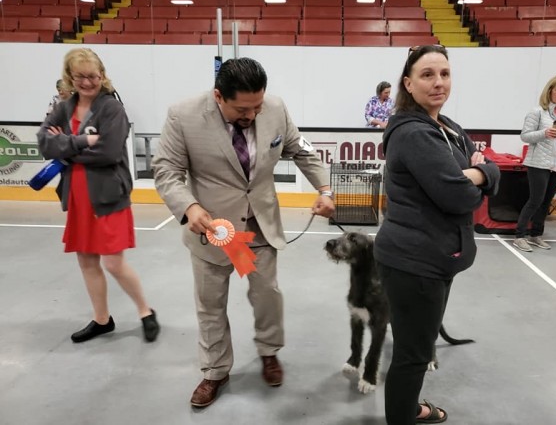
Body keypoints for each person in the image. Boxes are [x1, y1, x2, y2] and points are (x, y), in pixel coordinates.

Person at [152, 57, 335, 408]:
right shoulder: (183, 115)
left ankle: (269, 352)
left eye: (258, 105)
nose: (252, 115)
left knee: (267, 294)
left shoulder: (276, 108)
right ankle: (216, 371)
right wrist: (189, 207)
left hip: (260, 224)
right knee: (211, 304)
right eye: (242, 108)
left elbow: (301, 150)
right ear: (219, 96)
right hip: (213, 230)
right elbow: (167, 171)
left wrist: (325, 190)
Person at [373, 45, 500, 424]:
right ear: (408, 84)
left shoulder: (449, 128)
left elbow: (486, 167)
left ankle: (408, 408)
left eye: (444, 73)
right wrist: (476, 175)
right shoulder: (414, 133)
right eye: (427, 75)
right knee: (413, 355)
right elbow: (458, 195)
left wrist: (480, 172)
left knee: (418, 345)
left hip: (434, 258)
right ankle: (404, 414)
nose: (438, 82)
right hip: (414, 261)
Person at [37, 48, 160, 344]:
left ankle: (145, 311)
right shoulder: (64, 107)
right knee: (87, 261)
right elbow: (44, 144)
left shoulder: (112, 109)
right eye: (80, 76)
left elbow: (109, 151)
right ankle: (102, 320)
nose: (87, 82)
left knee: (114, 263)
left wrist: (66, 149)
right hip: (77, 196)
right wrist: (82, 141)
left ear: (102, 76)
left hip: (108, 195)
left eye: (93, 76)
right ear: (71, 77)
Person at [513, 74, 556, 252]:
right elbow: (525, 136)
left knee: (546, 201)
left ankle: (535, 235)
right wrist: (544, 133)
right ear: (550, 91)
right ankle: (519, 236)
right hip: (538, 163)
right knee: (535, 200)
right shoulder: (537, 111)